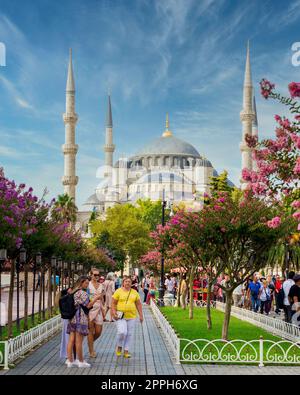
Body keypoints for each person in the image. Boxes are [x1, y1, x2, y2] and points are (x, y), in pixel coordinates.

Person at [66, 276, 102, 368]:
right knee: (79, 341)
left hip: (72, 318)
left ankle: (70, 361)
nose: (87, 285)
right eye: (86, 283)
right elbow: (88, 305)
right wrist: (96, 298)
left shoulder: (73, 291)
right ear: (81, 283)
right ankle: (81, 361)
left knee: (71, 340)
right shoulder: (83, 293)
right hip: (80, 318)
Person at [111, 276, 143, 358]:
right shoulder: (118, 291)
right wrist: (114, 312)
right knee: (122, 332)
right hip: (120, 316)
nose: (127, 283)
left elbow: (138, 304)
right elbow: (113, 303)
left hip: (131, 316)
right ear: (123, 283)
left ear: (131, 283)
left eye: (129, 281)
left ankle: (126, 350)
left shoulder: (134, 292)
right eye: (126, 281)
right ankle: (119, 346)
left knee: (129, 334)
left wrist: (141, 315)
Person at [87, 269, 105, 358]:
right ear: (91, 275)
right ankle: (91, 351)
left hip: (99, 310)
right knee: (90, 331)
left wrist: (104, 309)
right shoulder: (88, 285)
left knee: (98, 332)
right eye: (95, 275)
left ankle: (90, 343)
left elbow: (102, 299)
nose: (97, 276)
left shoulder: (101, 285)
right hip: (90, 309)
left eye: (98, 275)